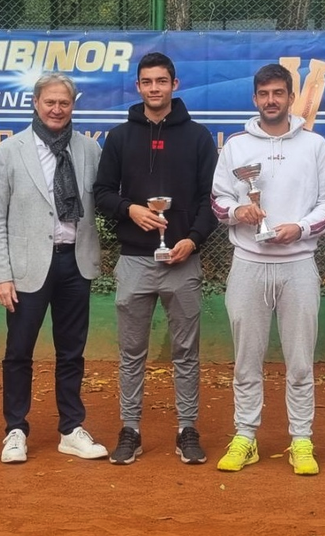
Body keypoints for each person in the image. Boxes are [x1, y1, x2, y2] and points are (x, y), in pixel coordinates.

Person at [211, 63, 325, 474]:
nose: (271, 100)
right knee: (246, 359)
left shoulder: (315, 145)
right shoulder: (235, 147)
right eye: (264, 94)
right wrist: (239, 210)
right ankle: (245, 436)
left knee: (300, 361)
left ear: (289, 97)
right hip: (247, 264)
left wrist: (299, 228)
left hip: (298, 265)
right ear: (255, 98)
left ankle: (301, 439)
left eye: (278, 93)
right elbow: (217, 200)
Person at [94, 52, 218, 465]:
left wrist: (194, 240)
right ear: (138, 87)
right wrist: (130, 209)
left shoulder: (199, 138)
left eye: (161, 81)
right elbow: (103, 192)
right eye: (147, 82)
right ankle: (130, 429)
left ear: (174, 85)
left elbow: (209, 199)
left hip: (183, 261)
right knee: (131, 353)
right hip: (134, 261)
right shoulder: (119, 137)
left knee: (186, 352)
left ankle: (187, 430)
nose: (154, 88)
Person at [0, 73, 108, 464]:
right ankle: (15, 430)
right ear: (36, 104)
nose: (57, 110)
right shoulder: (9, 151)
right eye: (50, 102)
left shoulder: (90, 150)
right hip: (26, 269)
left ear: (73, 106)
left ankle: (71, 429)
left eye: (65, 103)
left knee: (71, 352)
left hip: (76, 261)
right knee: (18, 352)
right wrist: (1, 274)